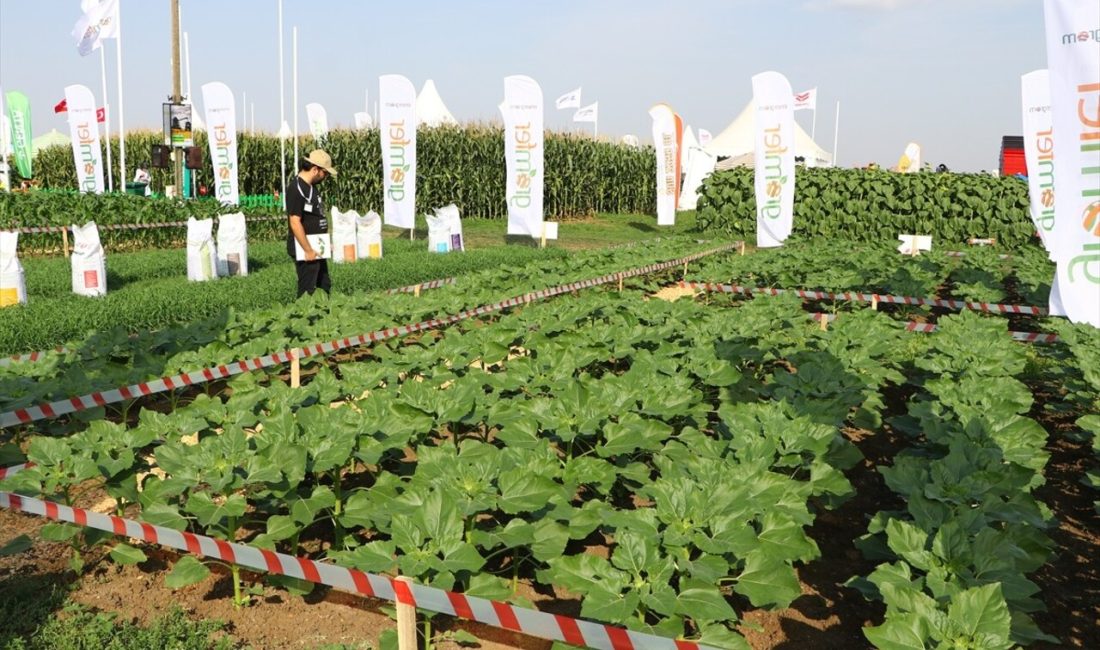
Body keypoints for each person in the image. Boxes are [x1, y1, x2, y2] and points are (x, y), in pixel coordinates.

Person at [286, 149, 338, 296]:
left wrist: (325, 242)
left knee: (324, 285)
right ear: (315, 170)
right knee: (307, 289)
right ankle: (302, 317)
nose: (326, 177)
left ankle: (325, 317)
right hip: (306, 247)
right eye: (325, 173)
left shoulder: (311, 187)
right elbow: (295, 222)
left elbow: (316, 216)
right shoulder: (296, 189)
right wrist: (308, 250)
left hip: (316, 245)